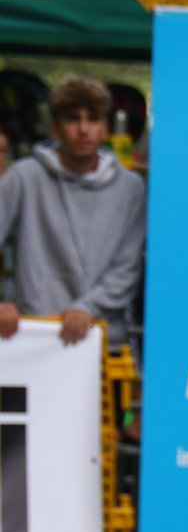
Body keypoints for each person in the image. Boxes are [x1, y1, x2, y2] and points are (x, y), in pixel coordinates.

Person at [0, 77, 145, 347]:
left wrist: (87, 307)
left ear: (106, 127)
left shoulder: (130, 187)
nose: (83, 129)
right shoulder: (23, 176)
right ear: (54, 128)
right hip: (31, 333)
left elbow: (128, 267)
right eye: (72, 119)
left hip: (103, 338)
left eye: (93, 119)